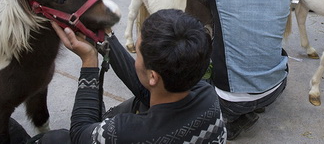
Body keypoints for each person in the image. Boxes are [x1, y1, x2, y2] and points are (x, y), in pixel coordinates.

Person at [165, 0, 296, 140]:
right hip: (276, 87)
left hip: (229, 98)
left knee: (196, 67)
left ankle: (230, 120)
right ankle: (254, 105)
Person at [11, 9, 226, 143]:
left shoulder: (128, 133)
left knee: (57, 139)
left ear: (153, 76)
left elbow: (80, 134)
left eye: (138, 52)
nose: (136, 58)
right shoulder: (208, 97)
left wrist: (89, 62)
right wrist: (108, 37)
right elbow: (145, 88)